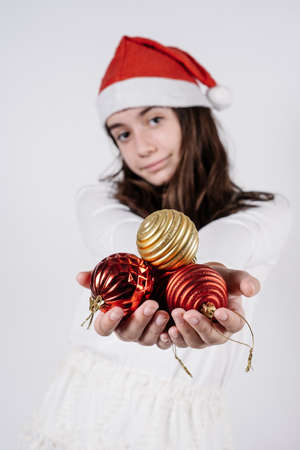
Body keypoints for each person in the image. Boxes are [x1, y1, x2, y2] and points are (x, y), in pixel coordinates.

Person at [21, 36, 292, 450]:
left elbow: (232, 239)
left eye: (154, 120)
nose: (141, 147)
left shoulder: (267, 211)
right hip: (85, 410)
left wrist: (206, 274)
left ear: (192, 118)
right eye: (122, 134)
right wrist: (181, 274)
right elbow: (119, 235)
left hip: (183, 427)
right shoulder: (101, 200)